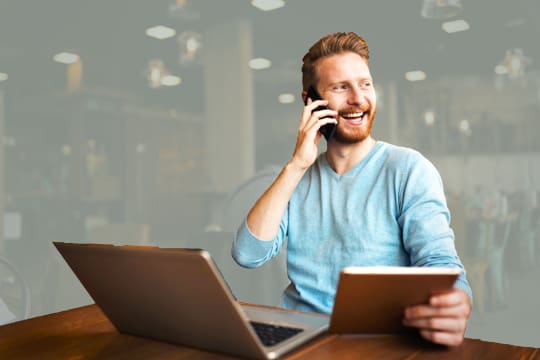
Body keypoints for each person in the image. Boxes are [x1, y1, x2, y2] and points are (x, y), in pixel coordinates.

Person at [232, 32, 472, 346]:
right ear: (311, 101)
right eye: (341, 87)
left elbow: (441, 265)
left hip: (378, 342)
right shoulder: (297, 177)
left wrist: (456, 301)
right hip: (300, 341)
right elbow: (248, 254)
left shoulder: (408, 169)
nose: (358, 99)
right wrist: (296, 165)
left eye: (365, 84)